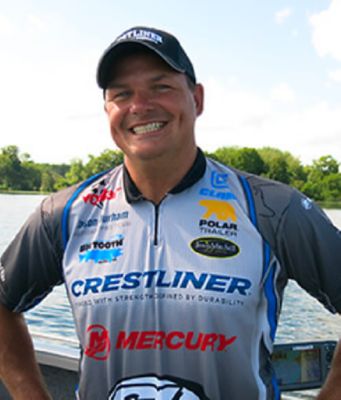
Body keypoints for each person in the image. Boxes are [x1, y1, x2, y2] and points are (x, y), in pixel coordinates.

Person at [0, 25, 340, 400]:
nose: (140, 106)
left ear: (197, 99)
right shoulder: (63, 214)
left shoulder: (273, 208)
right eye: (122, 94)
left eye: (160, 87)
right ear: (107, 109)